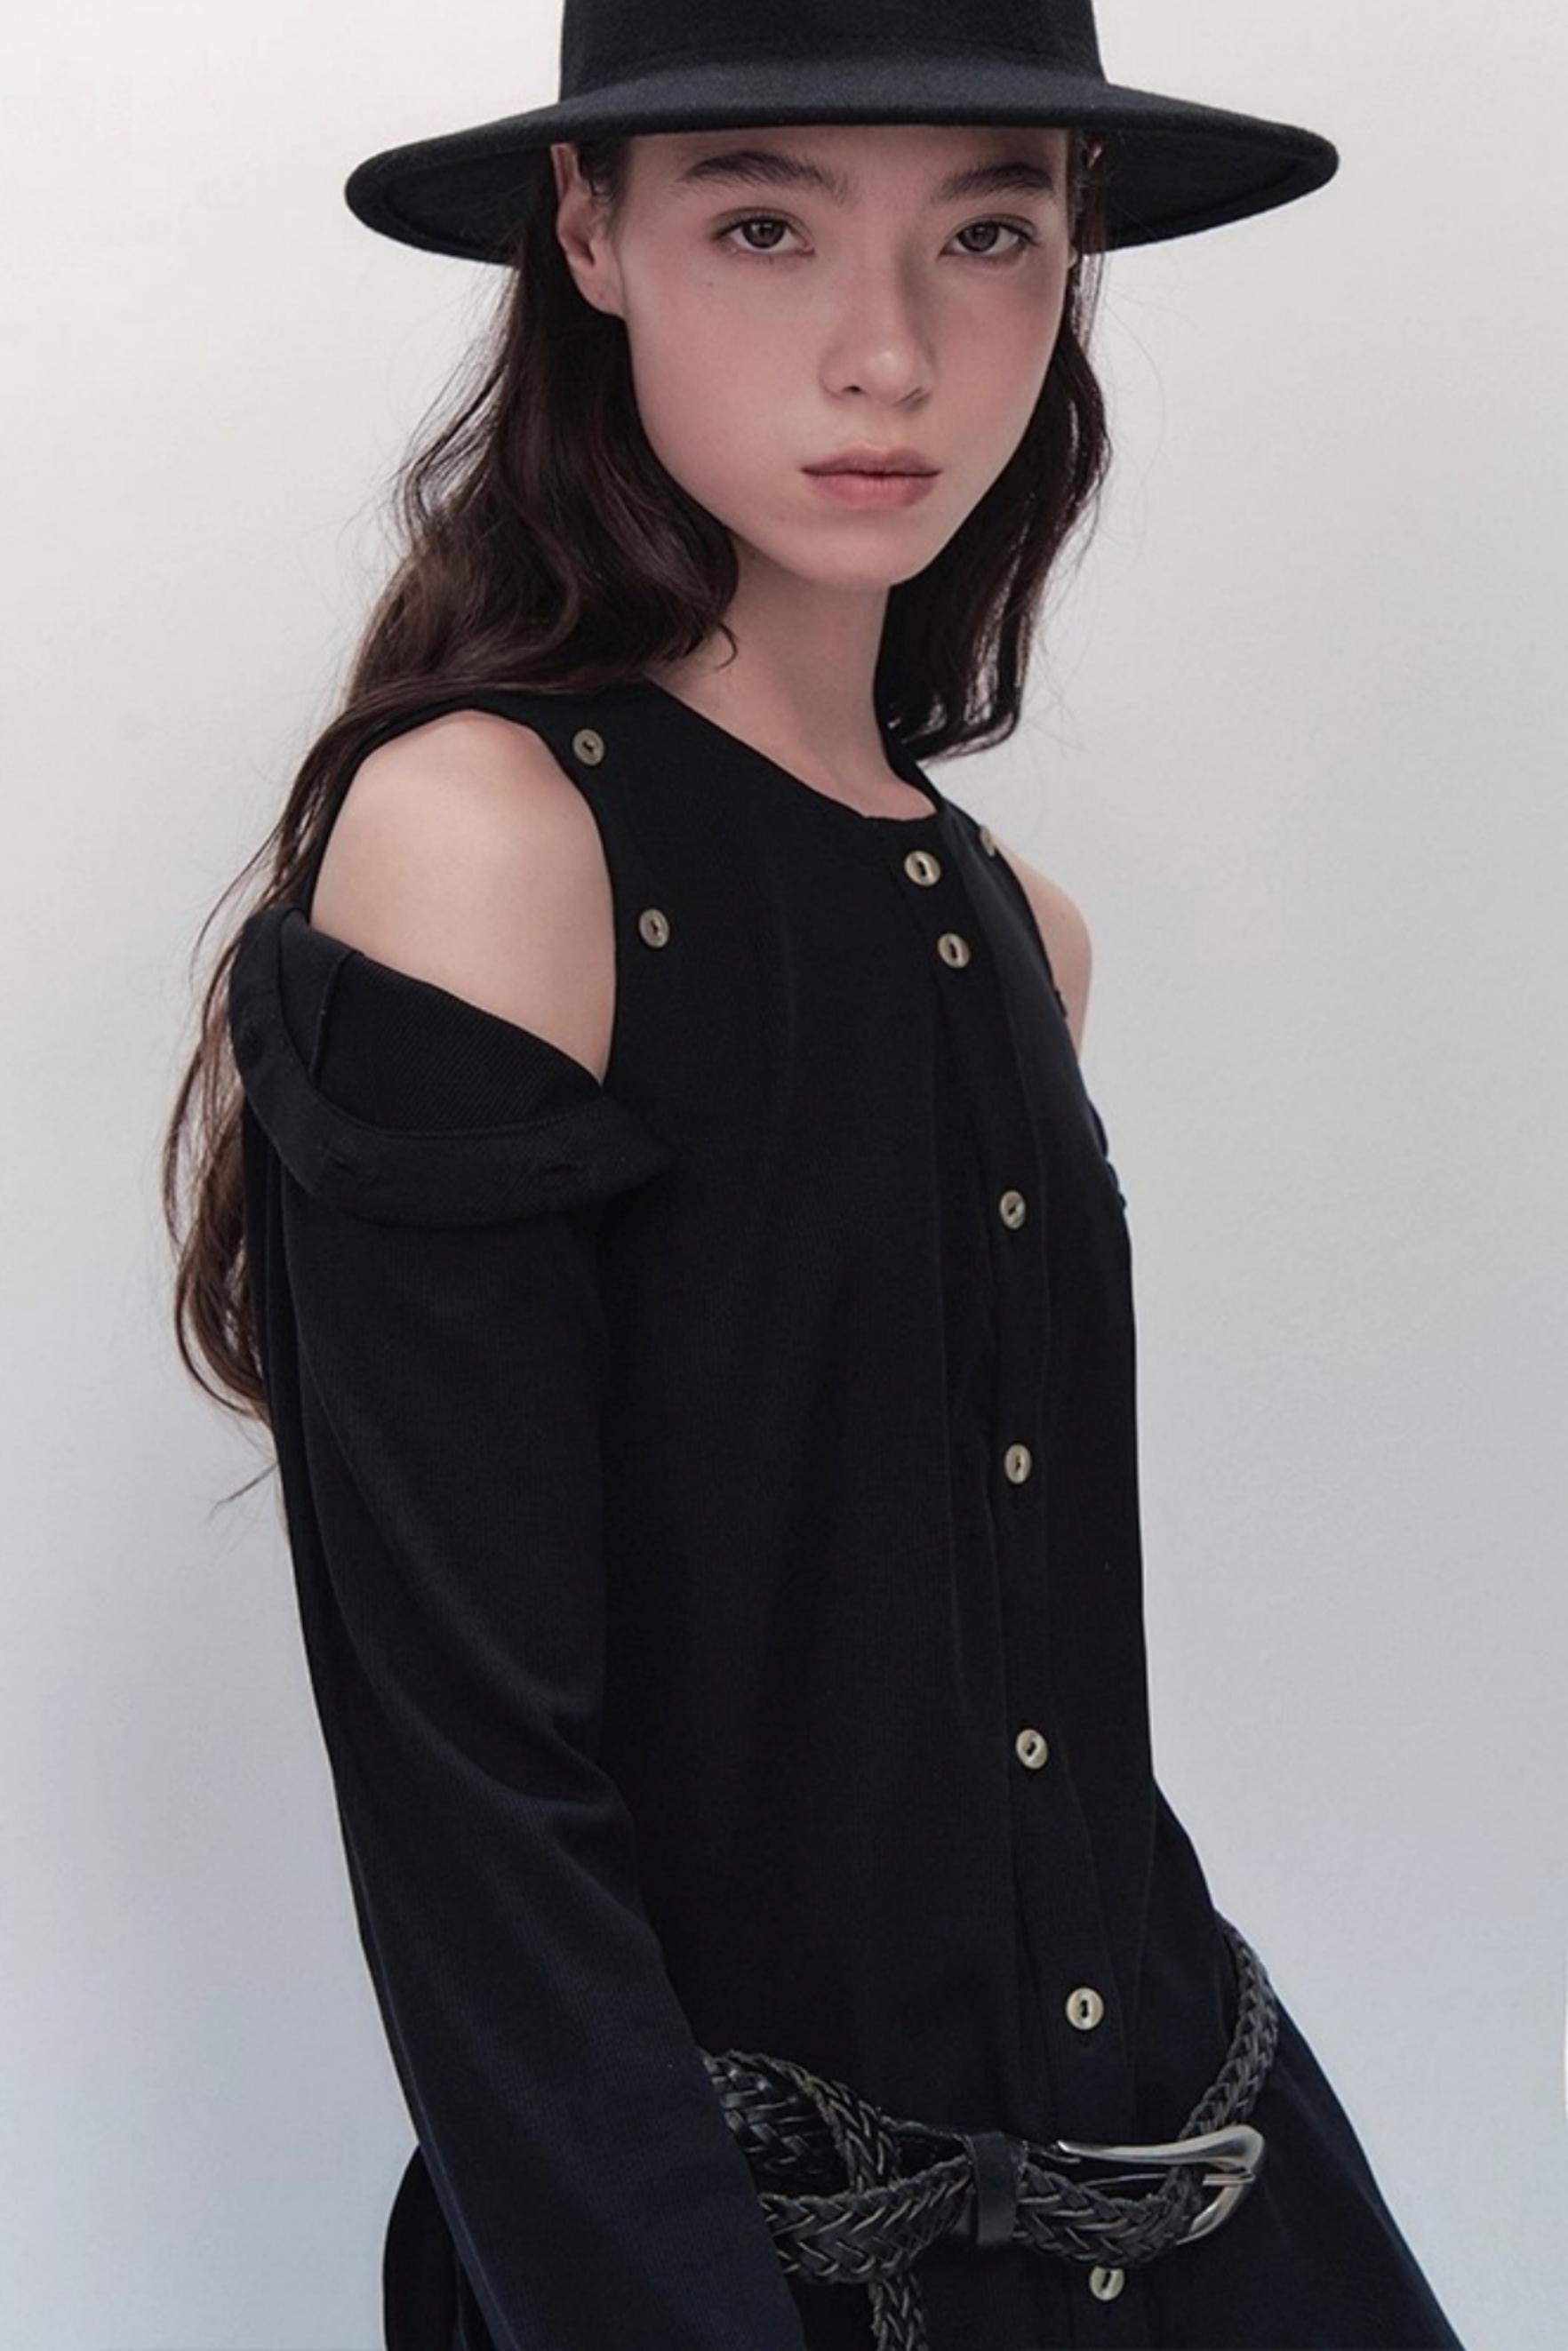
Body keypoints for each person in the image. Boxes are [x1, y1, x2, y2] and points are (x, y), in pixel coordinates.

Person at [164, 3, 1468, 2347]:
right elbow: (478, 1814)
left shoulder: (1021, 928)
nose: (890, 352)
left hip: (1209, 2188)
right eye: (765, 226)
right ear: (590, 234)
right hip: (733, 2267)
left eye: (988, 233)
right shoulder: (490, 843)